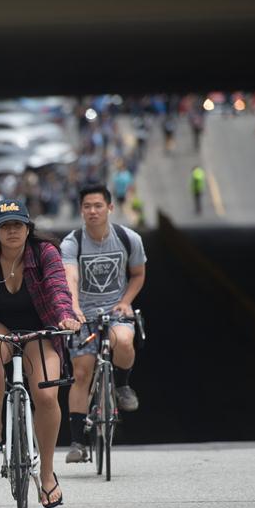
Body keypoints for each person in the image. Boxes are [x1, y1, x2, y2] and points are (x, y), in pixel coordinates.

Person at [0, 198, 79, 508]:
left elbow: (58, 287)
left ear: (27, 228)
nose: (11, 231)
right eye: (4, 226)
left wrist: (65, 315)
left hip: (40, 328)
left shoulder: (44, 252)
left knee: (47, 396)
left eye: (17, 225)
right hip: (0, 326)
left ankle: (47, 476)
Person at [61, 184, 147, 464]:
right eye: (87, 206)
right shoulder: (73, 242)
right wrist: (73, 307)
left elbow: (137, 274)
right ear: (81, 210)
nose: (93, 211)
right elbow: (70, 276)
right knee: (82, 372)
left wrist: (126, 301)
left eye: (98, 206)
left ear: (110, 208)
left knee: (123, 341)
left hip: (116, 310)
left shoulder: (127, 238)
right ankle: (77, 441)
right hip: (83, 314)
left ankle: (122, 385)